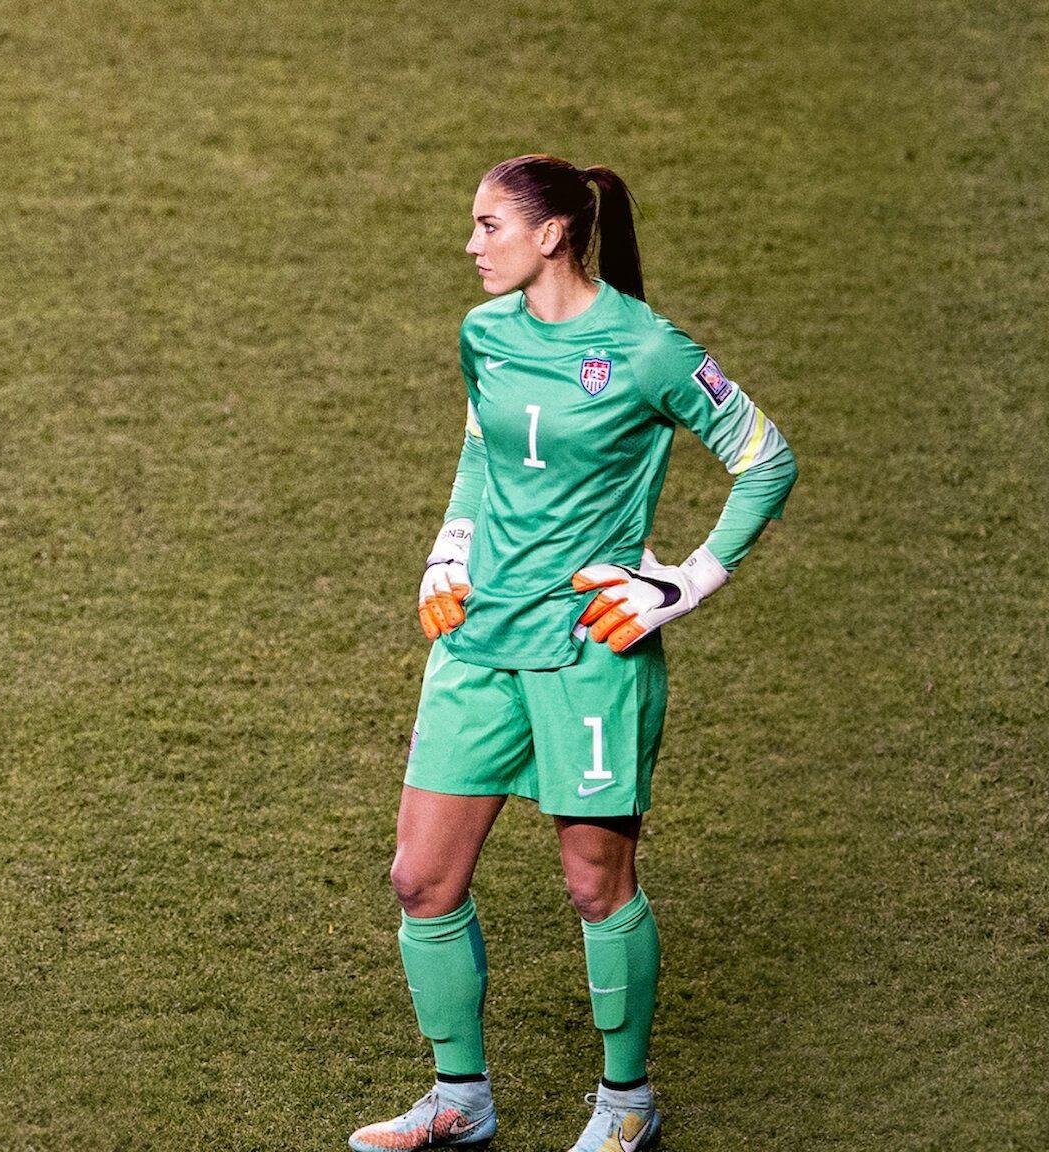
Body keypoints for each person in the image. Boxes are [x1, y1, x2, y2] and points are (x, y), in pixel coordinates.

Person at [349, 155, 799, 1152]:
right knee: (420, 879)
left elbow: (765, 458)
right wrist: (448, 548)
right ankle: (458, 1099)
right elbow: (480, 449)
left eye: (486, 226)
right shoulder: (483, 334)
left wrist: (678, 584)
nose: (469, 246)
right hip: (477, 646)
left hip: (590, 652)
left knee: (595, 882)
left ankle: (624, 1105)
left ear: (550, 234)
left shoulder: (645, 350)